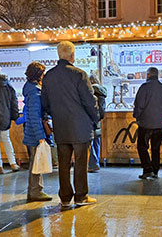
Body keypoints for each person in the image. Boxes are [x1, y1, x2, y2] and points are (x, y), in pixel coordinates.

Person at [41, 41, 99, 209]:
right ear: (73, 55)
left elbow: (45, 102)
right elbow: (89, 101)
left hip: (61, 126)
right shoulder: (79, 74)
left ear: (59, 55)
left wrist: (54, 116)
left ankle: (65, 197)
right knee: (81, 163)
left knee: (63, 164)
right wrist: (95, 119)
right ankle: (81, 196)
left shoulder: (49, 76)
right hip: (80, 126)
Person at [16, 62, 53, 202]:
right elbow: (34, 115)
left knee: (35, 162)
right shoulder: (35, 92)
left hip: (31, 132)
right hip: (34, 134)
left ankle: (36, 190)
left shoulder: (30, 89)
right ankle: (35, 191)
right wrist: (40, 136)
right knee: (35, 163)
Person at [133, 67, 162, 180]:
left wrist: (136, 115)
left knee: (142, 147)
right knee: (155, 148)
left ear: (148, 75)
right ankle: (155, 170)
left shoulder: (144, 88)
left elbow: (139, 105)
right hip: (159, 124)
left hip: (145, 123)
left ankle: (147, 169)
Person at [88, 75, 107, 173]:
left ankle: (93, 164)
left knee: (90, 143)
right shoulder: (102, 93)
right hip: (98, 121)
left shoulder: (93, 92)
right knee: (96, 143)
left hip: (91, 121)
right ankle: (96, 163)